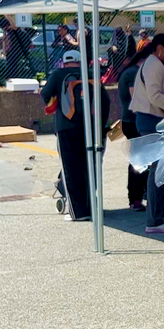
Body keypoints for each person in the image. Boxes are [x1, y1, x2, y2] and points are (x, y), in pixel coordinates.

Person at [40, 49, 110, 221]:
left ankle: (78, 212)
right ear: (81, 61)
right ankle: (92, 206)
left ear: (64, 62)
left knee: (71, 168)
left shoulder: (58, 74)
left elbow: (45, 95)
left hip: (67, 126)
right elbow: (105, 100)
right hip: (93, 127)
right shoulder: (92, 74)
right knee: (90, 167)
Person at [129, 33, 164, 234]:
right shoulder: (153, 65)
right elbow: (154, 95)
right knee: (158, 169)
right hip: (152, 121)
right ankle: (154, 220)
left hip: (156, 120)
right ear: (160, 49)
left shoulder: (155, 65)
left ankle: (162, 213)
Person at [118, 48, 151, 211]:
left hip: (134, 121)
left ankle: (139, 196)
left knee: (141, 159)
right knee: (138, 160)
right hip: (134, 122)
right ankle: (135, 198)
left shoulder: (135, 72)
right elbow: (136, 100)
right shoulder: (133, 73)